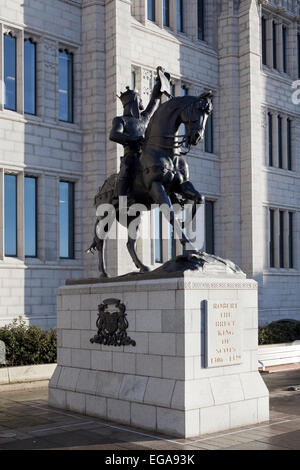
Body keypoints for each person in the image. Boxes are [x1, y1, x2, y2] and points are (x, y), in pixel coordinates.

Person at [110, 67, 170, 200]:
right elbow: (113, 135)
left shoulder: (144, 117)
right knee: (127, 167)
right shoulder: (121, 120)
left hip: (145, 153)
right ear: (134, 101)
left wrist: (159, 84)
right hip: (131, 154)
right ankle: (120, 196)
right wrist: (132, 139)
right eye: (139, 99)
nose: (142, 102)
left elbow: (154, 102)